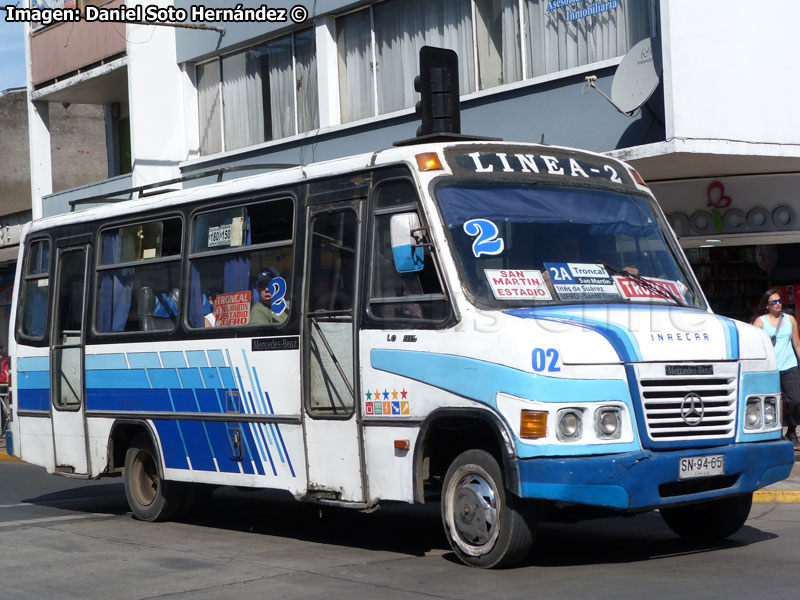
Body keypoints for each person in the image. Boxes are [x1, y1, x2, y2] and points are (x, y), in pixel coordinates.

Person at [753, 289, 800, 448]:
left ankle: (792, 430)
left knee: (795, 400)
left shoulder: (790, 319)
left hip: (789, 365)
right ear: (767, 305)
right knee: (773, 403)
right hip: (770, 367)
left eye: (780, 301)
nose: (778, 304)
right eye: (774, 302)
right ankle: (776, 432)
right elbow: (755, 347)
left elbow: (797, 344)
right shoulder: (760, 322)